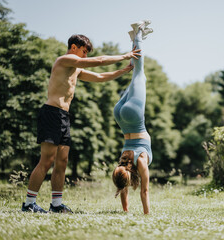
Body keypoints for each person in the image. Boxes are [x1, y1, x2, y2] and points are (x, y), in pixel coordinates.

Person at [21, 34, 141, 213]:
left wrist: (123, 70)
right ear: (74, 47)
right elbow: (99, 61)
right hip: (51, 113)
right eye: (83, 52)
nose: (85, 56)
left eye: (86, 53)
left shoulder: (75, 69)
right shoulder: (65, 60)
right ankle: (29, 204)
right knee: (47, 161)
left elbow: (100, 77)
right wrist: (125, 55)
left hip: (63, 116)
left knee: (62, 161)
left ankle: (56, 204)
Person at [112, 20, 153, 215]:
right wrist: (125, 211)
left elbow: (144, 192)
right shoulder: (122, 162)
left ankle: (139, 31)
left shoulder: (140, 162)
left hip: (134, 117)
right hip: (120, 116)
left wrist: (147, 215)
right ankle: (135, 40)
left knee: (139, 73)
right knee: (138, 77)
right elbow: (122, 187)